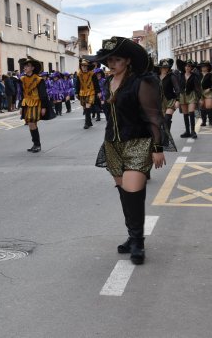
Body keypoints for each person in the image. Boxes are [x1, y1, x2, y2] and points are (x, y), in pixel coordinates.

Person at [93, 36, 169, 265]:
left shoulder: (142, 81)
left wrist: (157, 147)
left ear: (127, 60)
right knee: (124, 193)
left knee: (134, 192)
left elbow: (153, 115)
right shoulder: (107, 82)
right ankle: (132, 235)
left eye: (116, 59)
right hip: (113, 144)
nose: (111, 64)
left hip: (138, 142)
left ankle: (138, 242)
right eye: (108, 60)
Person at [19, 56, 51, 153]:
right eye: (24, 66)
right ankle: (35, 144)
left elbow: (43, 94)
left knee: (32, 122)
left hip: (36, 103)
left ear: (32, 68)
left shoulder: (38, 79)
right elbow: (22, 93)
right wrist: (21, 106)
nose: (25, 68)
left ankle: (37, 144)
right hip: (27, 103)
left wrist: (44, 107)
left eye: (27, 66)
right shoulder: (22, 79)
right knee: (30, 124)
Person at [177, 59, 201, 138]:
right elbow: (177, 87)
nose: (187, 67)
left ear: (191, 68)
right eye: (186, 66)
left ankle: (193, 131)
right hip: (183, 95)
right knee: (185, 114)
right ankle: (187, 131)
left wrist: (200, 98)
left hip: (192, 95)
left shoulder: (194, 76)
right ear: (184, 67)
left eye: (189, 66)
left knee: (191, 112)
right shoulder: (180, 75)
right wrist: (177, 97)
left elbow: (197, 87)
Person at [156, 59, 180, 130]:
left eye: (166, 67)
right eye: (163, 67)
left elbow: (177, 89)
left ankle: (166, 139)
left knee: (167, 119)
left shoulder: (171, 76)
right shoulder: (156, 77)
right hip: (159, 102)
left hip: (170, 100)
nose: (165, 69)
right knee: (161, 122)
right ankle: (165, 137)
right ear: (160, 68)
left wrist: (177, 100)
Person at [75, 59, 100, 129]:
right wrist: (76, 92)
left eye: (85, 66)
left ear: (88, 67)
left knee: (88, 106)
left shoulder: (92, 74)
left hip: (91, 92)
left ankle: (86, 123)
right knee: (85, 108)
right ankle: (89, 122)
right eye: (82, 66)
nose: (84, 67)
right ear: (81, 66)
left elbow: (96, 83)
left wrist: (98, 92)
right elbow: (77, 84)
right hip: (82, 93)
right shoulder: (79, 74)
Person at [199, 61, 212, 127]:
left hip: (209, 92)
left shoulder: (210, 75)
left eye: (205, 67)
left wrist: (209, 89)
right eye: (202, 67)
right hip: (200, 92)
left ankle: (210, 121)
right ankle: (203, 121)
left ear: (207, 67)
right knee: (202, 106)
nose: (203, 68)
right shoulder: (199, 74)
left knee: (208, 106)